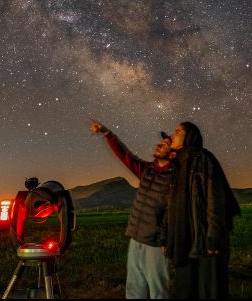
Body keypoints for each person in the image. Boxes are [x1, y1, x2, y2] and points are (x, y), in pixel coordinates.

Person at [90, 119, 175, 299]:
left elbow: (174, 212)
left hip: (157, 244)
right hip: (136, 238)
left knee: (158, 290)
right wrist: (107, 133)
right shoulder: (147, 170)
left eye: (166, 144)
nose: (159, 144)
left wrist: (166, 239)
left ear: (173, 154)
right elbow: (125, 155)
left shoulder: (176, 178)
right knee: (134, 289)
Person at [160, 122, 241, 299]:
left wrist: (213, 238)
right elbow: (170, 204)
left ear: (190, 136)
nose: (172, 136)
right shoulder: (176, 166)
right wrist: (165, 236)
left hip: (204, 239)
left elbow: (215, 199)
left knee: (209, 289)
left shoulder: (203, 159)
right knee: (185, 289)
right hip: (183, 239)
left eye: (178, 132)